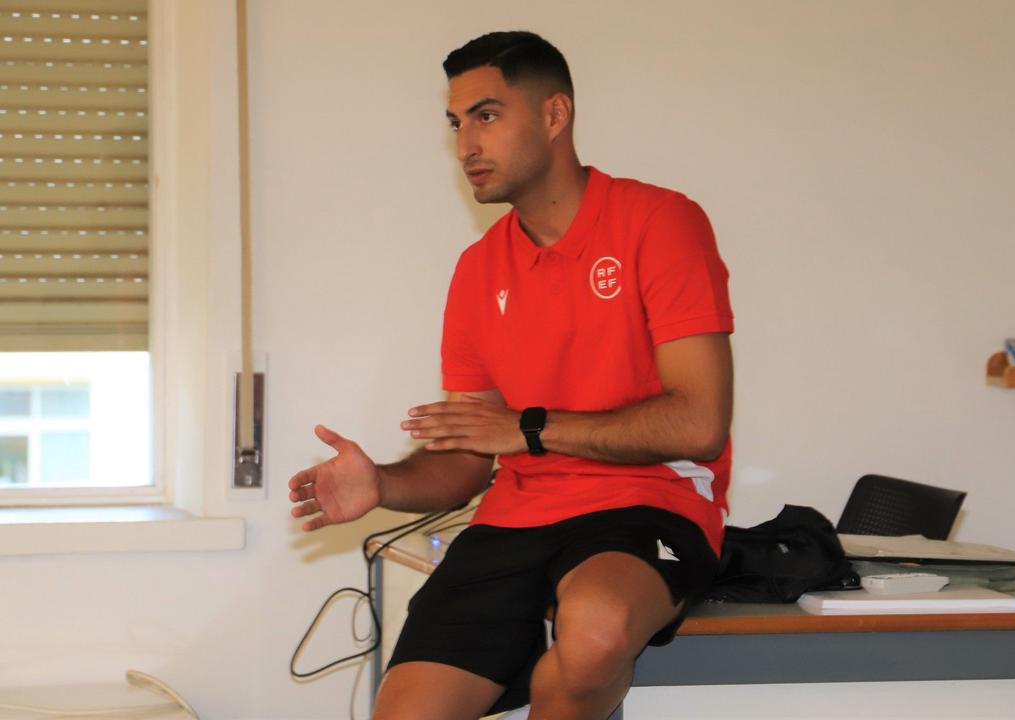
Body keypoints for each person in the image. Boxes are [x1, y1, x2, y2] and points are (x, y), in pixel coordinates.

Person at [288, 31, 734, 720]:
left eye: (487, 116)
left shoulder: (659, 221)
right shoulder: (478, 269)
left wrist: (527, 429)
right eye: (456, 123)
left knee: (594, 636)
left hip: (647, 501)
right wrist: (383, 484)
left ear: (555, 115)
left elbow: (699, 423)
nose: (466, 144)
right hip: (516, 518)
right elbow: (469, 458)